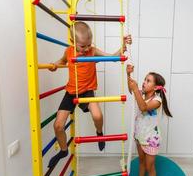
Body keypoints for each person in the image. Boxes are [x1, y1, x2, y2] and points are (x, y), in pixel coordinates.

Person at [48, 21, 132, 168]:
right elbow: (62, 61)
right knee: (58, 126)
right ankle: (63, 150)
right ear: (72, 42)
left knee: (98, 116)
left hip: (87, 92)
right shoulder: (68, 52)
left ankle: (99, 133)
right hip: (71, 93)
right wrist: (54, 66)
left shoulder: (92, 51)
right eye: (82, 46)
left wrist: (123, 46)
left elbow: (112, 57)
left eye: (89, 44)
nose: (86, 49)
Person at [126, 64, 172, 176]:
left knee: (149, 167)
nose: (144, 82)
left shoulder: (157, 100)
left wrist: (136, 89)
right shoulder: (141, 94)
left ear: (156, 87)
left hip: (151, 139)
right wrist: (128, 74)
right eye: (144, 80)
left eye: (148, 81)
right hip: (140, 135)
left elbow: (143, 107)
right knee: (141, 162)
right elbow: (131, 89)